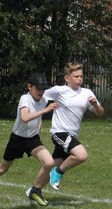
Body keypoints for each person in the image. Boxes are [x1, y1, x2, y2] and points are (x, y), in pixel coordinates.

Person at [0, 73, 59, 206]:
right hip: (17, 140)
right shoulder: (25, 99)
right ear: (29, 87)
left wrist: (39, 124)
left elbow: (37, 117)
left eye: (43, 89)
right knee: (2, 169)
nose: (41, 91)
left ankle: (35, 190)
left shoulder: (43, 100)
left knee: (49, 163)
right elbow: (25, 117)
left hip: (32, 139)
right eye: (38, 88)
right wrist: (45, 111)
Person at [44, 62, 104, 190]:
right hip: (59, 132)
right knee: (81, 155)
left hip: (72, 135)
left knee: (51, 165)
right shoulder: (59, 91)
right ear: (67, 78)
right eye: (76, 76)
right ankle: (58, 172)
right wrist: (41, 111)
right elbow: (39, 95)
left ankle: (34, 189)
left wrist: (95, 105)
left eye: (81, 76)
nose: (79, 79)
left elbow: (100, 113)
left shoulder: (87, 93)